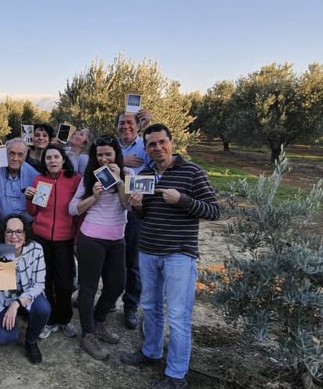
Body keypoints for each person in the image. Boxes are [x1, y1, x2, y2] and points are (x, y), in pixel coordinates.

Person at [121, 124, 221, 389]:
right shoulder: (144, 174)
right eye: (151, 144)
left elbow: (214, 211)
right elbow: (143, 214)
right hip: (148, 251)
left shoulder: (192, 172)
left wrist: (182, 200)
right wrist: (137, 207)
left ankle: (176, 375)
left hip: (179, 254)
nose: (157, 148)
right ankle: (151, 352)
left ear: (171, 142)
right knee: (150, 307)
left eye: (161, 142)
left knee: (178, 315)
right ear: (146, 148)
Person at [69, 135, 131, 361]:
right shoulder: (88, 177)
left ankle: (98, 321)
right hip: (92, 238)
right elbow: (72, 209)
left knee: (117, 285)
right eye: (100, 155)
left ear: (116, 155)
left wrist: (120, 181)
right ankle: (88, 334)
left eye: (108, 154)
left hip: (117, 239)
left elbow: (128, 205)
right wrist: (94, 197)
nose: (104, 159)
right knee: (88, 288)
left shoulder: (128, 174)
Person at [0, 214, 51, 364]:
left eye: (19, 232)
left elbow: (39, 284)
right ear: (3, 234)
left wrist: (16, 304)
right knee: (5, 338)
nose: (14, 236)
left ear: (25, 234)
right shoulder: (1, 248)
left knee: (43, 308)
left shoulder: (35, 249)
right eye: (9, 232)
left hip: (24, 297)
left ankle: (31, 342)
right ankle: (1, 316)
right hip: (3, 299)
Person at [25, 144, 82, 339]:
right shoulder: (39, 180)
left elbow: (79, 210)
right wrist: (29, 198)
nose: (52, 161)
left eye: (56, 157)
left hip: (65, 239)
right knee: (45, 281)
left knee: (65, 284)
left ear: (63, 159)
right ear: (44, 162)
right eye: (48, 158)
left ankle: (64, 319)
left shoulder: (74, 179)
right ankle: (49, 320)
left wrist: (76, 237)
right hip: (41, 238)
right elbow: (33, 211)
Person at [116, 109, 152, 329]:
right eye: (122, 122)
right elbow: (98, 166)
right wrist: (121, 161)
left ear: (138, 126)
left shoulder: (145, 145)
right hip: (112, 209)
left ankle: (130, 305)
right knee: (111, 258)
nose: (126, 126)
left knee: (133, 261)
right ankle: (109, 300)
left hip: (136, 210)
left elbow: (160, 159)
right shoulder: (113, 146)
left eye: (130, 122)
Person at [0, 138, 39, 230]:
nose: (15, 158)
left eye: (20, 154)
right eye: (11, 153)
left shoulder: (34, 175)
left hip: (27, 226)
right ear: (5, 153)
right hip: (4, 226)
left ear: (25, 156)